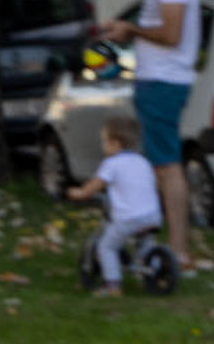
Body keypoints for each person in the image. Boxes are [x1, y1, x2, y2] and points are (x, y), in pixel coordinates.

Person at [96, 0, 206, 271]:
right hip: (156, 79)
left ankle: (178, 250)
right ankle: (165, 244)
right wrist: (129, 34)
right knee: (159, 162)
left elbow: (172, 33)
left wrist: (132, 29)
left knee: (165, 165)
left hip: (164, 80)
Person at [67, 113, 164, 296]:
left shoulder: (111, 164)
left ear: (115, 144)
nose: (102, 146)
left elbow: (96, 185)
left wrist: (80, 193)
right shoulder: (143, 161)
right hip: (153, 215)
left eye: (104, 141)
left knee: (107, 246)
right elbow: (154, 183)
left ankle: (112, 285)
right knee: (145, 242)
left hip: (128, 218)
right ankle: (154, 268)